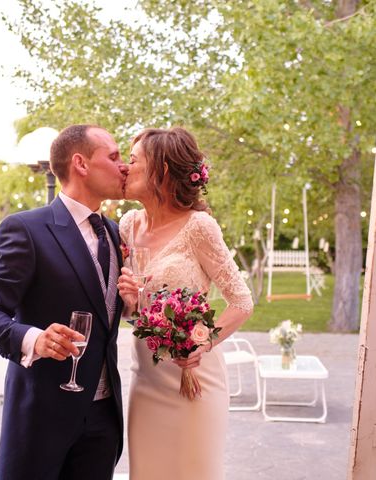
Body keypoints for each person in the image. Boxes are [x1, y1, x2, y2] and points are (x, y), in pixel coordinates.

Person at [0, 124, 128, 480]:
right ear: (81, 164)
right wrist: (34, 339)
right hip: (42, 416)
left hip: (103, 417)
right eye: (114, 157)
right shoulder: (26, 229)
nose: (125, 167)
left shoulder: (117, 233)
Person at [117, 127, 254, 480]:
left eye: (133, 161)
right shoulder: (127, 225)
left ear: (161, 171)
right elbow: (136, 313)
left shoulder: (199, 227)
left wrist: (204, 342)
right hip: (145, 380)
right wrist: (130, 303)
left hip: (192, 380)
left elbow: (241, 301)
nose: (124, 168)